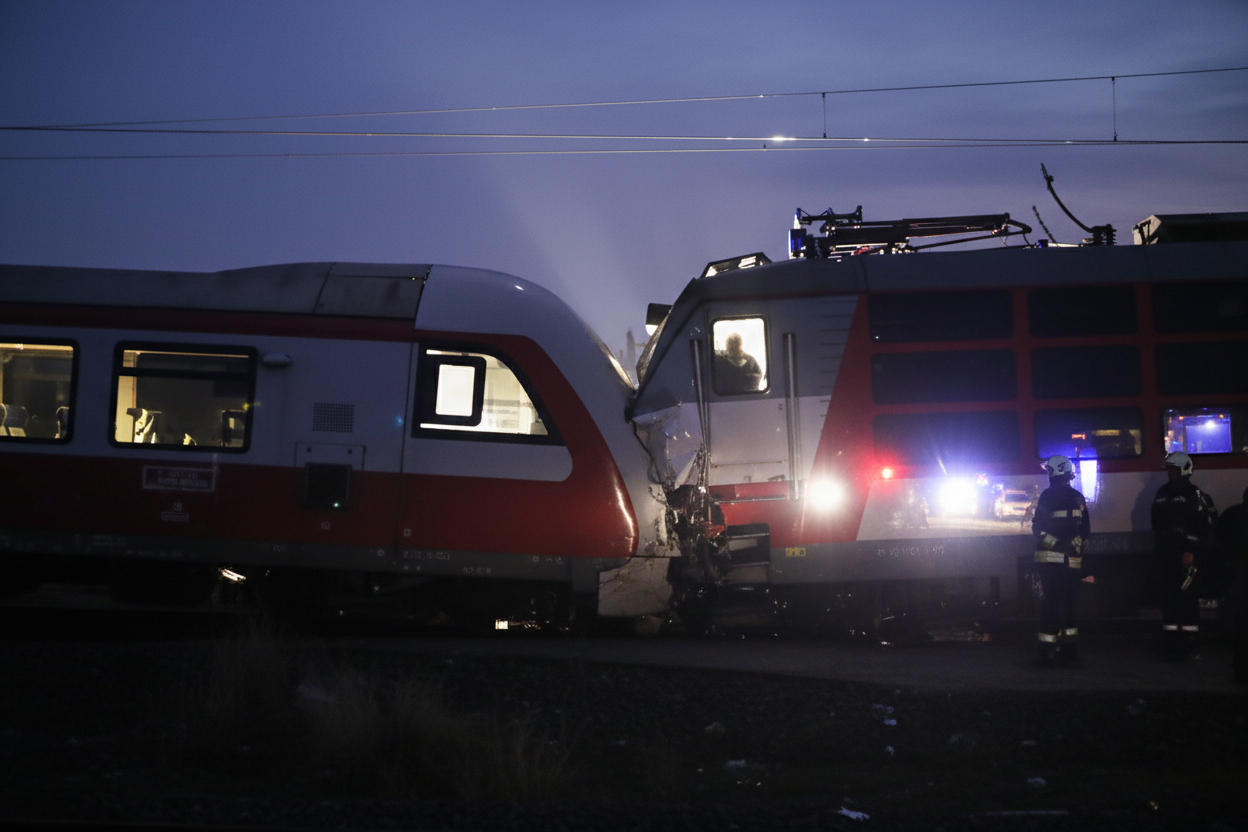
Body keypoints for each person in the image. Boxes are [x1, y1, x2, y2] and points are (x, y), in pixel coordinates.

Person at [1150, 451, 1218, 660]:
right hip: (1167, 553)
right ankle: (1171, 640)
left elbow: (1203, 526)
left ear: (1184, 470)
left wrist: (1190, 550)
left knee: (1187, 598)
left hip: (1186, 555)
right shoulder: (1163, 493)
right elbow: (1157, 522)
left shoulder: (1194, 495)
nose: (1170, 473)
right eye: (1169, 469)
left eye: (1174, 469)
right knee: (1168, 597)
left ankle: (1190, 643)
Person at [1032, 455, 1091, 666]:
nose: (1048, 475)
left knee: (1050, 607)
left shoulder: (1047, 497)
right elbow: (1085, 530)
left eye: (1049, 471)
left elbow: (1038, 528)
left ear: (1055, 472)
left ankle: (1047, 652)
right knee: (1070, 609)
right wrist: (1072, 545)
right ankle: (1070, 652)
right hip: (1072, 564)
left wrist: (1055, 544)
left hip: (1050, 565)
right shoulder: (1078, 497)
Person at [1215, 486, 1248, 683]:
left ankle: (1240, 675)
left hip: (1236, 568)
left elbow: (1219, 535)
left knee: (1239, 622)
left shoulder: (1232, 513)